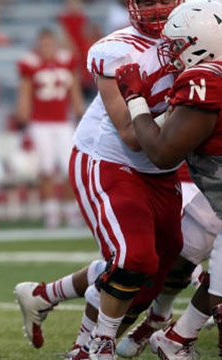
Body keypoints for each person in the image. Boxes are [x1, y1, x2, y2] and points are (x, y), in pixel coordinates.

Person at [15, 1, 185, 358]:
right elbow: (130, 134)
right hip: (110, 160)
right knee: (133, 257)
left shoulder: (198, 35)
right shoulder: (117, 49)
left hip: (163, 167)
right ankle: (99, 346)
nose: (159, 8)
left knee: (160, 266)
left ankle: (53, 305)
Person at [115, 1, 222, 360]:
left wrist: (135, 99)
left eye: (179, 43)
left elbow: (162, 152)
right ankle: (175, 340)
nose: (172, 51)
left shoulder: (206, 78)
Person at [15, 27, 85, 229]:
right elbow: (26, 90)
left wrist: (79, 110)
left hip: (63, 122)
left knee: (70, 169)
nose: (46, 48)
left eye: (49, 43)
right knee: (46, 169)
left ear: (56, 43)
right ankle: (51, 212)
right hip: (40, 123)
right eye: (43, 44)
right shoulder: (31, 64)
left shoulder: (66, 60)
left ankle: (71, 211)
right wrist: (23, 114)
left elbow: (74, 88)